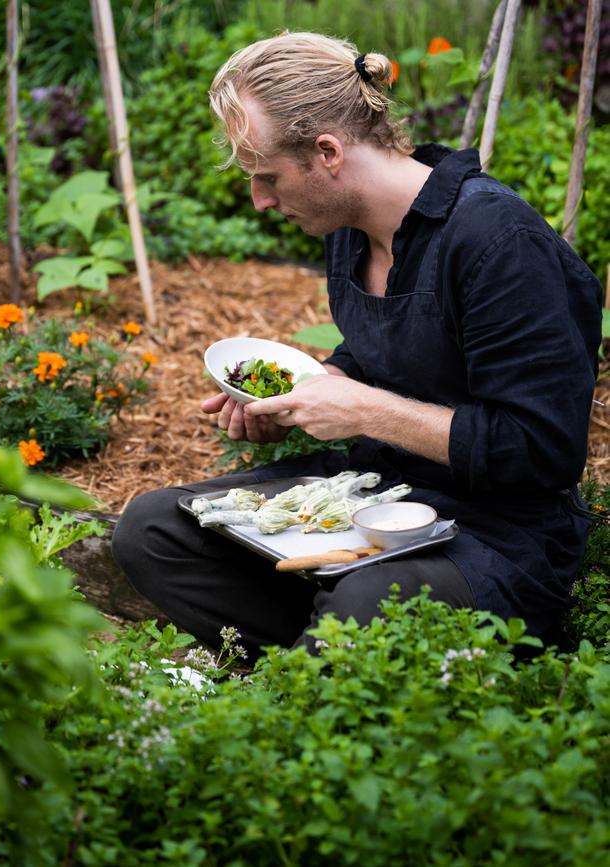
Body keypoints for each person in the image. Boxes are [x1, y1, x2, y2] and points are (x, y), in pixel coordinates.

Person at [112, 32, 602, 663]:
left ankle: (316, 671)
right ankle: (325, 658)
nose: (261, 201)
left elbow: (543, 450)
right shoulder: (349, 231)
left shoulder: (497, 242)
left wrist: (361, 409)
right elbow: (385, 355)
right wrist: (304, 394)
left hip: (496, 534)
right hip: (373, 496)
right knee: (153, 529)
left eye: (267, 178)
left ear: (327, 152)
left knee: (368, 598)